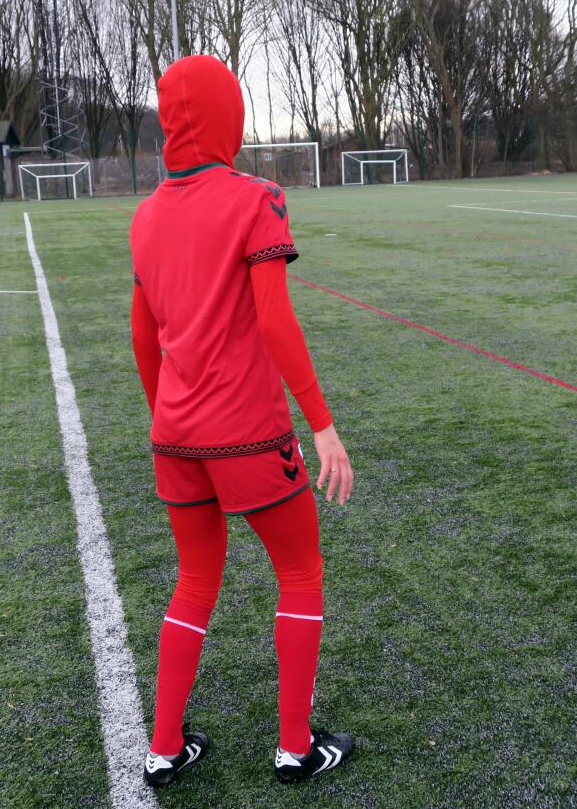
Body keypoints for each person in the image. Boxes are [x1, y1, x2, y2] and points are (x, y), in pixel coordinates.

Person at [129, 55, 355, 787]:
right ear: (232, 113)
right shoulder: (256, 197)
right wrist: (321, 423)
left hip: (175, 435)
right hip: (249, 434)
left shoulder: (145, 212)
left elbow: (142, 334)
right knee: (300, 570)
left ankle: (165, 747)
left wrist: (165, 415)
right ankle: (295, 745)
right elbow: (275, 320)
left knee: (194, 579)